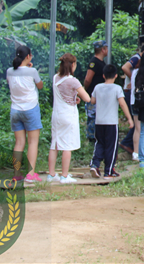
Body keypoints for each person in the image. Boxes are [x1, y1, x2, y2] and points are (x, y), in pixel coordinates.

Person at [48, 53, 90, 184]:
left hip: (56, 115)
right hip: (68, 116)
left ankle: (51, 175)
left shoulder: (56, 78)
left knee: (54, 144)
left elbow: (63, 95)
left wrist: (73, 98)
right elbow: (87, 98)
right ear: (72, 65)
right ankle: (64, 176)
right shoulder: (73, 81)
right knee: (67, 145)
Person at [89, 64, 134, 179]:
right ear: (116, 75)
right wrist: (129, 119)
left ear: (103, 75)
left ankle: (95, 164)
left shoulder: (98, 87)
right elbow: (122, 104)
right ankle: (108, 171)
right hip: (111, 123)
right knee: (111, 146)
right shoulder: (117, 88)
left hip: (99, 122)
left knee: (99, 143)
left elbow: (92, 101)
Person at [6, 46, 43, 183]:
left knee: (19, 143)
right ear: (28, 56)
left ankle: (16, 174)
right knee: (33, 142)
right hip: (31, 109)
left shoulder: (9, 71)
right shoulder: (32, 71)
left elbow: (11, 82)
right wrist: (29, 68)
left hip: (15, 110)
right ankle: (30, 173)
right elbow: (40, 86)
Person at [120, 42, 144, 159]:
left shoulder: (136, 71)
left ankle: (136, 152)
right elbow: (124, 67)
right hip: (142, 102)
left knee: (138, 128)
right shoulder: (141, 65)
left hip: (134, 101)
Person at [83, 40, 108, 142]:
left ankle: (98, 137)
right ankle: (91, 138)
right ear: (103, 49)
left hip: (100, 96)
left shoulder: (101, 62)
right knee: (92, 117)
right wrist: (85, 91)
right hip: (92, 95)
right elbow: (88, 79)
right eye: (106, 48)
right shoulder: (94, 62)